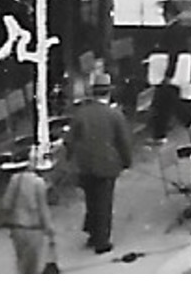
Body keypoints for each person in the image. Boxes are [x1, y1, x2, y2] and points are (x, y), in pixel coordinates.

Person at [64, 73, 133, 255]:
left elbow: (69, 140)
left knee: (91, 200)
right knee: (104, 202)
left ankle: (93, 234)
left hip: (85, 165)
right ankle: (101, 241)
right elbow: (123, 142)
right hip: (107, 164)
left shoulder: (81, 114)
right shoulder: (114, 115)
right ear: (108, 93)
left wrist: (72, 159)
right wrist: (127, 162)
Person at [0, 156, 60, 273]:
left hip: (17, 228)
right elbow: (43, 209)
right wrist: (50, 229)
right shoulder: (39, 183)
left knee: (21, 261)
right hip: (34, 228)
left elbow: (6, 204)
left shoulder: (14, 180)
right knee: (34, 265)